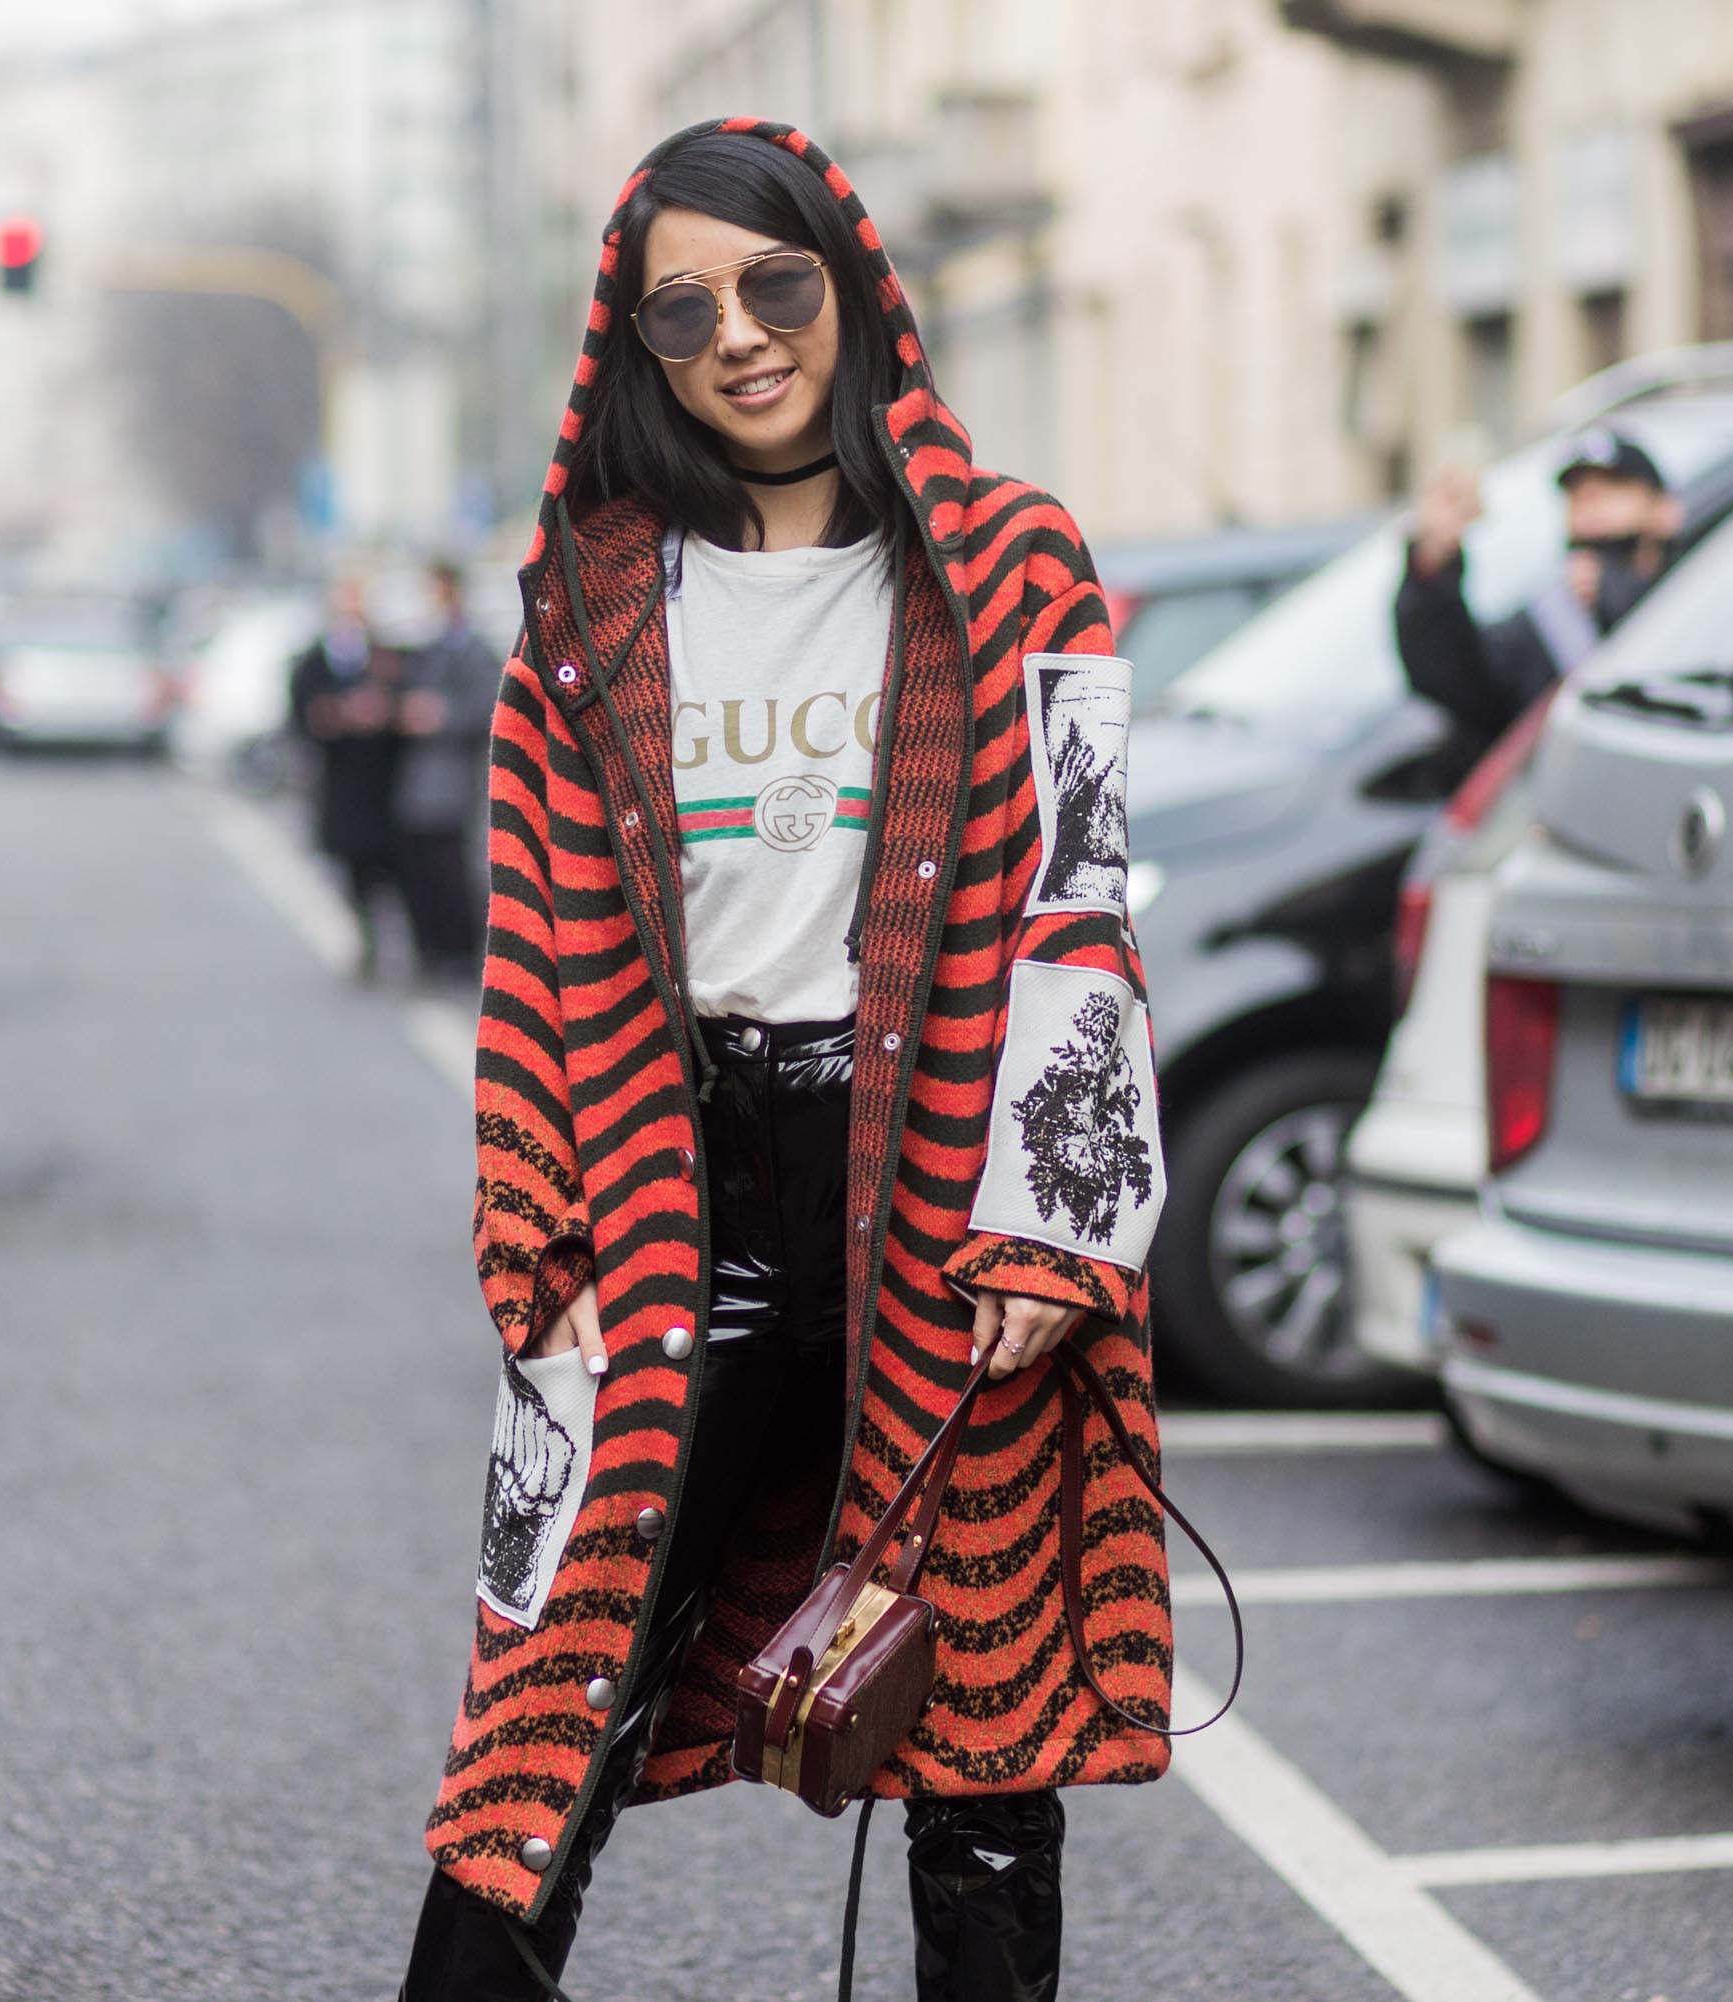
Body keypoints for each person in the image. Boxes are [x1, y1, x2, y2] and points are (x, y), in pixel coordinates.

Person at [403, 119, 1178, 2001]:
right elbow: (534, 948)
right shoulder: (590, 598)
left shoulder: (1011, 562)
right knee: (539, 1718)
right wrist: (536, 1230)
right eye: (686, 307)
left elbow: (1078, 900)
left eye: (775, 285)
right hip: (691, 1205)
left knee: (983, 1741)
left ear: (849, 287)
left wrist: (1055, 1228)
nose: (740, 335)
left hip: (939, 1211)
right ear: (637, 341)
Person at [1393, 427, 1683, 763]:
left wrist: (1621, 601)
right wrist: (1433, 564)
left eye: (1613, 488)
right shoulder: (1547, 627)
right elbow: (1456, 677)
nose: (1590, 506)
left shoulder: (1709, 597)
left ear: (1666, 512)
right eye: (1578, 494)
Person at [287, 576, 404, 978]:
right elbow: (303, 717)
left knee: (394, 868)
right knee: (350, 868)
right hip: (340, 784)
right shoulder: (313, 661)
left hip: (385, 782)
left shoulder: (386, 655)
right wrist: (339, 715)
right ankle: (367, 937)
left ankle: (397, 940)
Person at [387, 561, 496, 986]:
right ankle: (432, 949)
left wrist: (441, 715)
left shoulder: (474, 649)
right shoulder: (424, 648)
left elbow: (487, 705)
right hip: (418, 778)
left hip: (455, 777)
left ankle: (460, 953)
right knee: (422, 869)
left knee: (455, 870)